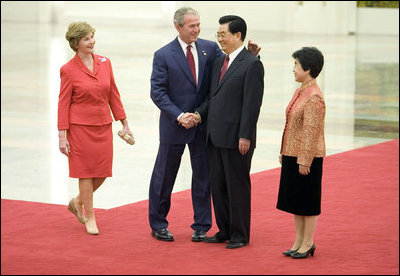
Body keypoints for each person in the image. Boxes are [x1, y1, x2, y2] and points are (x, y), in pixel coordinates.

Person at [149, 7, 261, 242]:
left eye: (198, 24)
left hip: (203, 126)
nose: (197, 29)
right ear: (178, 27)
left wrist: (252, 55)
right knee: (164, 177)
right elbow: (157, 93)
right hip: (174, 125)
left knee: (204, 177)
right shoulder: (163, 54)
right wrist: (180, 116)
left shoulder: (210, 49)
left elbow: (234, 67)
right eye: (192, 26)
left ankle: (202, 225)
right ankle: (158, 223)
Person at [193, 15, 264, 249]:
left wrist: (245, 135)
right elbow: (212, 97)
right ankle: (224, 229)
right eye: (218, 34)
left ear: (238, 35)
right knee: (218, 185)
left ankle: (239, 234)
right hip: (214, 135)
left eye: (223, 34)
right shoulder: (218, 62)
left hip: (236, 138)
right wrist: (199, 115)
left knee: (237, 186)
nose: (220, 38)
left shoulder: (252, 64)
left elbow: (252, 104)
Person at [58, 22, 133, 235]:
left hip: (103, 125)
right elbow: (63, 103)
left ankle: (77, 201)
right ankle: (90, 216)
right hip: (79, 128)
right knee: (86, 173)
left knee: (101, 172)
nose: (92, 41)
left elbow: (113, 95)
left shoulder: (105, 62)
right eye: (86, 39)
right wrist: (62, 135)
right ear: (76, 43)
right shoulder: (68, 70)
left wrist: (124, 122)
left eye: (92, 37)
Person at [276, 46, 325, 258]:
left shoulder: (314, 97)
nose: (293, 69)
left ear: (308, 69)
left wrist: (304, 160)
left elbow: (311, 132)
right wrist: (284, 151)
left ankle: (308, 242)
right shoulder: (301, 91)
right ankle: (298, 240)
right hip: (292, 154)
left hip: (307, 158)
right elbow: (291, 125)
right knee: (296, 200)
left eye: (296, 64)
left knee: (308, 201)